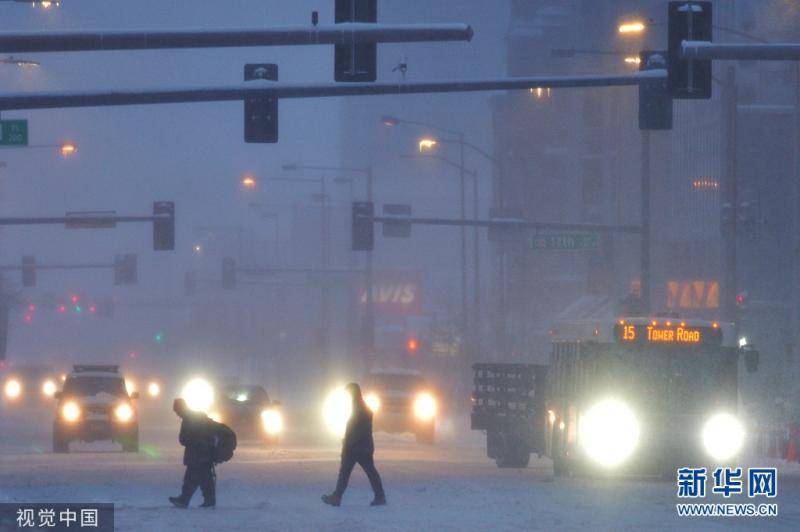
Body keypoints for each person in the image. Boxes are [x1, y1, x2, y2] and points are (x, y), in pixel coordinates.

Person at [322, 382, 386, 507]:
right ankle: (379, 496)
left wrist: (348, 442)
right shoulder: (359, 407)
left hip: (358, 448)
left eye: (349, 393)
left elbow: (361, 430)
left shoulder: (361, 409)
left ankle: (338, 497)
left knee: (357, 471)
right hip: (360, 447)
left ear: (354, 393)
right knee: (358, 472)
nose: (348, 396)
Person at [169, 398, 216, 508]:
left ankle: (188, 500)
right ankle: (188, 499)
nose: (177, 414)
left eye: (177, 411)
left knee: (199, 477)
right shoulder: (194, 417)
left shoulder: (189, 419)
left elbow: (186, 438)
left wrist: (189, 440)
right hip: (201, 454)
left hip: (198, 454)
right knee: (197, 477)